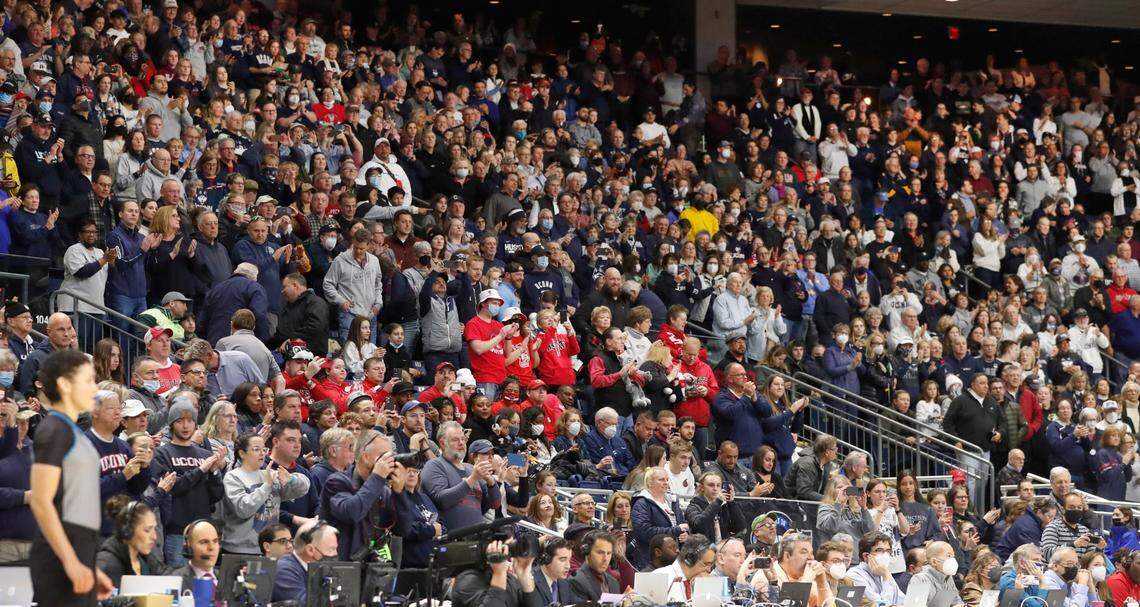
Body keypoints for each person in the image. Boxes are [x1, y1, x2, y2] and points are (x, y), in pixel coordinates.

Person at [28, 351, 114, 606]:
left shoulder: (71, 430)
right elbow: (41, 501)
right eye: (88, 381)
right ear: (65, 384)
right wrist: (70, 561)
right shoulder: (54, 429)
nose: (95, 388)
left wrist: (87, 564)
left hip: (78, 556)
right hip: (58, 562)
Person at [221, 431, 310, 554]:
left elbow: (302, 489)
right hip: (240, 549)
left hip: (270, 549)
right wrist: (267, 485)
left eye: (264, 449)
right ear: (242, 453)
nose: (262, 453)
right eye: (256, 449)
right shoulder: (233, 477)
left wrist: (291, 479)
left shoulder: (267, 473)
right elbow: (243, 509)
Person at [319, 429, 396, 560]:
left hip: (373, 568)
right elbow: (352, 512)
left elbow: (403, 529)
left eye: (391, 456)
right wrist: (377, 477)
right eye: (384, 456)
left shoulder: (383, 489)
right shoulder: (337, 481)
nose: (390, 461)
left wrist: (400, 492)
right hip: (340, 566)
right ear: (365, 457)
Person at [95, 498, 168, 587]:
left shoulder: (147, 561)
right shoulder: (105, 564)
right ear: (128, 531)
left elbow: (168, 574)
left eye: (154, 529)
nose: (154, 537)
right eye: (147, 530)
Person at [630, 467, 688, 569]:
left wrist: (685, 534)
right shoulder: (642, 503)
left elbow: (682, 524)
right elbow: (644, 531)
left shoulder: (673, 501)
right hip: (650, 561)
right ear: (649, 483)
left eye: (667, 479)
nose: (666, 482)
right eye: (661, 479)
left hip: (673, 559)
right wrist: (676, 530)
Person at [270, 519, 339, 604]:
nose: (336, 553)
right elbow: (305, 604)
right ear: (310, 550)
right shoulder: (283, 570)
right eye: (331, 549)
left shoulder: (320, 568)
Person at [845, 531, 906, 607]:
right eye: (879, 550)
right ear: (866, 556)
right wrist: (886, 576)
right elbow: (881, 605)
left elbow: (902, 601)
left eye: (888, 551)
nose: (885, 555)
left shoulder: (883, 571)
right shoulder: (854, 575)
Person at [773, 532, 833, 607]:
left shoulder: (808, 575)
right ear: (787, 556)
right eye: (804, 552)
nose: (810, 558)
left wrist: (821, 584)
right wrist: (806, 581)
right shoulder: (771, 577)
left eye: (811, 553)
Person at [652, 534, 717, 602]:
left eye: (711, 565)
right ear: (689, 559)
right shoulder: (660, 577)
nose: (709, 570)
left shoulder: (701, 582)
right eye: (705, 564)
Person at [685, 471, 746, 543]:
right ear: (702, 487)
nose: (715, 488)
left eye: (718, 485)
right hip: (704, 550)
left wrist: (731, 503)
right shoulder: (693, 506)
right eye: (711, 485)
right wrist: (717, 502)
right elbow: (700, 526)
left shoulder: (723, 506)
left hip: (723, 549)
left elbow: (740, 527)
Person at [902, 541, 962, 607]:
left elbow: (956, 601)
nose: (952, 559)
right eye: (949, 556)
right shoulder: (920, 579)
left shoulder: (948, 577)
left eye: (953, 556)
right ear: (934, 562)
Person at [569, 531, 622, 602]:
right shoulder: (576, 581)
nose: (605, 559)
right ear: (587, 552)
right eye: (600, 553)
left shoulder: (614, 582)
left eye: (609, 553)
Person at [172, 520, 221, 595]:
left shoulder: (228, 579)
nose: (211, 547)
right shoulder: (176, 581)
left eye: (215, 541)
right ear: (188, 547)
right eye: (204, 542)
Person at [533, 539, 573, 606]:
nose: (568, 566)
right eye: (562, 560)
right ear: (546, 559)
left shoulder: (564, 582)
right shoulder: (531, 582)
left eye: (569, 560)